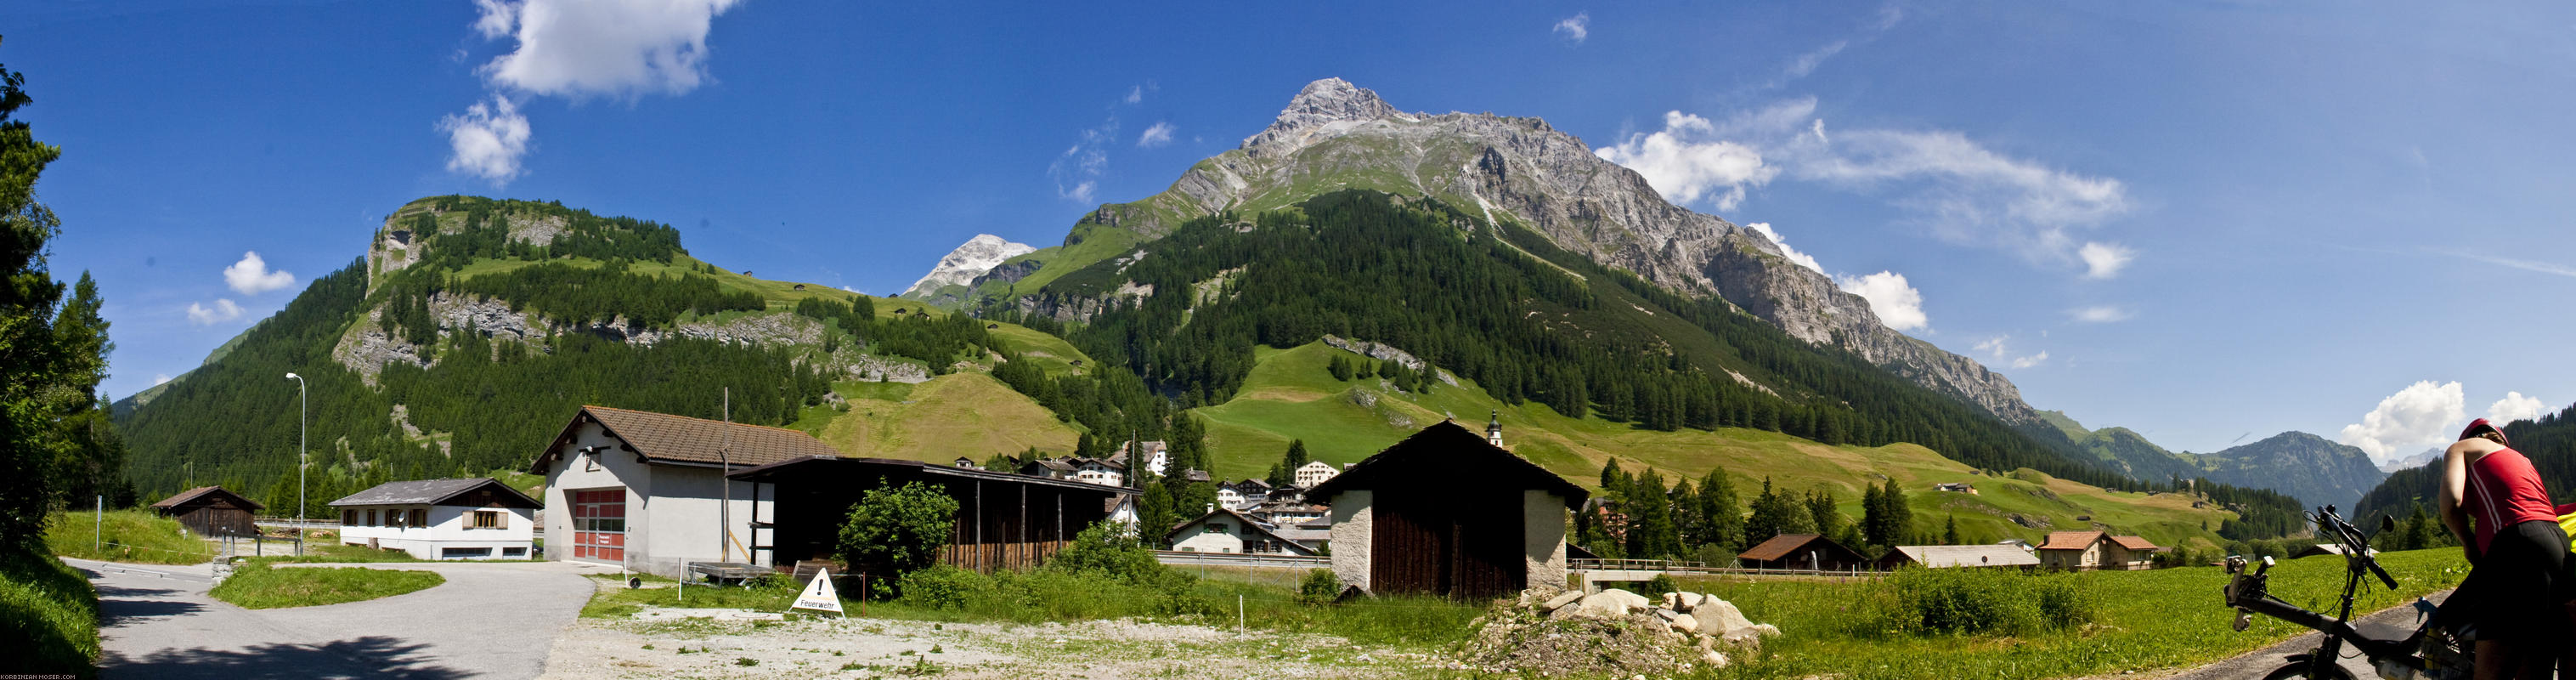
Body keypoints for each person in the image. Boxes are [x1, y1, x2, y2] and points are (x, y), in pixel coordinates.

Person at [2434, 418, 2574, 680]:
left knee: (2490, 671)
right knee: (2533, 668)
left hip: (2516, 543)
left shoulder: (2461, 448)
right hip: (2558, 542)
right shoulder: (2522, 460)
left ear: (2472, 436)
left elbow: (2451, 502)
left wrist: (2468, 543)